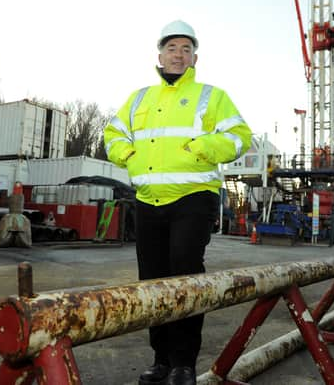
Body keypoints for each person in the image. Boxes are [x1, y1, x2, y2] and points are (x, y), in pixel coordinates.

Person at [104, 20, 252, 385]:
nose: (178, 54)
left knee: (184, 270)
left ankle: (184, 363)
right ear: (159, 55)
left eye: (186, 49)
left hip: (193, 198)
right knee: (152, 280)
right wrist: (129, 153)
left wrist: (203, 147)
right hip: (148, 200)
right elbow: (112, 135)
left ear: (195, 58)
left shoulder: (211, 96)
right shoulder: (139, 98)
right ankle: (161, 361)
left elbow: (239, 137)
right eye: (172, 48)